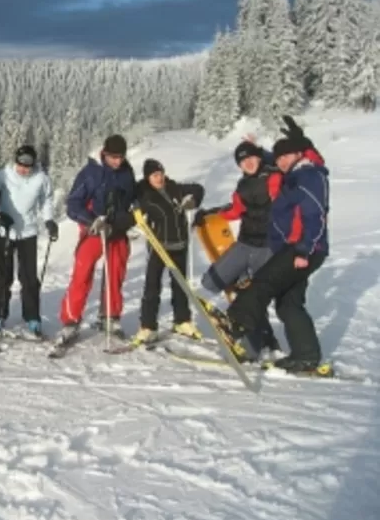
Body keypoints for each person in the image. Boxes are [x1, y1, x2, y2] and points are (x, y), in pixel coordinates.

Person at [220, 133, 330, 374]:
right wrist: (257, 149)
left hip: (301, 248)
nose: (280, 161)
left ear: (299, 154)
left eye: (286, 156)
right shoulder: (294, 174)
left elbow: (315, 216)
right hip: (298, 248)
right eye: (278, 158)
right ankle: (306, 356)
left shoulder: (307, 176)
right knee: (288, 304)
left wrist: (303, 249)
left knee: (262, 283)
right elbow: (267, 161)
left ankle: (236, 320)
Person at [193, 138, 283, 360]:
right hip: (244, 244)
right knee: (210, 281)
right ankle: (262, 335)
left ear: (259, 158)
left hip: (267, 247)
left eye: (251, 158)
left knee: (253, 297)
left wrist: (262, 151)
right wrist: (208, 213)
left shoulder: (274, 177)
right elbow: (234, 211)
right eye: (243, 161)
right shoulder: (242, 187)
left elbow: (281, 167)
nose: (248, 163)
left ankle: (256, 347)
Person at [58, 134, 137, 341]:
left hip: (117, 230)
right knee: (82, 273)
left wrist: (131, 216)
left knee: (115, 273)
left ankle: (110, 316)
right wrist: (91, 220)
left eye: (120, 157)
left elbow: (133, 198)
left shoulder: (127, 173)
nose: (117, 161)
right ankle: (71, 320)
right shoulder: (91, 173)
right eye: (113, 157)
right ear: (104, 153)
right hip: (94, 229)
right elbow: (73, 204)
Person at [131, 159, 205, 345]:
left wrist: (191, 200)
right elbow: (129, 205)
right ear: (148, 177)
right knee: (152, 286)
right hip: (159, 246)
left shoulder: (174, 188)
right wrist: (133, 211)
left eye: (161, 173)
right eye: (155, 175)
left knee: (181, 285)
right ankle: (148, 326)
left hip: (179, 244)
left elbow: (197, 188)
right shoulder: (144, 194)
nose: (159, 178)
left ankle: (182, 321)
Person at [0, 144, 58, 338]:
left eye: (27, 166)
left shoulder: (41, 179)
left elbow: (47, 200)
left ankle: (32, 317)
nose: (23, 169)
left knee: (28, 278)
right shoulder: (2, 176)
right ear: (15, 161)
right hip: (3, 231)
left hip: (28, 232)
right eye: (20, 165)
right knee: (3, 276)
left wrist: (49, 220)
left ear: (33, 165)